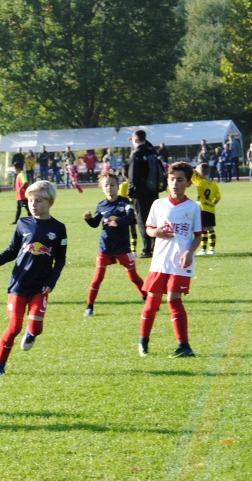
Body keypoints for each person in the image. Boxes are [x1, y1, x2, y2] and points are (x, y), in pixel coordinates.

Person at [0, 180, 67, 376]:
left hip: (41, 286)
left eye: (38, 200)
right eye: (30, 200)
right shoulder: (23, 224)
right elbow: (11, 251)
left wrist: (51, 282)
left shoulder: (58, 228)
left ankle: (31, 334)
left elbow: (60, 260)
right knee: (14, 327)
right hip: (19, 284)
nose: (33, 204)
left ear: (50, 203)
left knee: (37, 327)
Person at [139, 162, 202, 358]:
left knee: (173, 300)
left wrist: (189, 252)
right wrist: (156, 232)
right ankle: (143, 341)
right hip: (160, 262)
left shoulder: (193, 207)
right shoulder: (158, 204)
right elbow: (149, 228)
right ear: (167, 180)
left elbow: (198, 235)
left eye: (180, 180)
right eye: (172, 179)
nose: (175, 184)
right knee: (152, 302)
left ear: (189, 183)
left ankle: (184, 346)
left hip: (180, 263)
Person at [82, 172, 145, 316]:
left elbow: (131, 216)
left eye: (112, 185)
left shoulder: (124, 203)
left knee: (133, 276)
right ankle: (89, 306)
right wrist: (88, 219)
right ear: (102, 188)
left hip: (123, 247)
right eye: (106, 185)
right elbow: (95, 224)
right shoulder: (101, 206)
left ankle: (147, 298)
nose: (109, 188)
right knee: (98, 277)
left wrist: (118, 222)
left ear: (118, 186)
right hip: (105, 247)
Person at [127, 129, 164, 258]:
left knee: (143, 220)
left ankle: (147, 249)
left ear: (135, 140)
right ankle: (156, 247)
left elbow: (133, 176)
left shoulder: (136, 154)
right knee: (154, 219)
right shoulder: (151, 151)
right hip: (153, 190)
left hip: (141, 192)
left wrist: (130, 192)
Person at [192, 163, 221, 255]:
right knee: (211, 228)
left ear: (200, 173)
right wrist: (213, 204)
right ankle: (212, 249)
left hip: (202, 208)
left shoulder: (200, 182)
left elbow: (191, 176)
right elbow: (218, 197)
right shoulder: (214, 185)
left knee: (203, 229)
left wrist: (194, 171)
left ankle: (203, 250)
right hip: (211, 209)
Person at [12, 154, 30, 224]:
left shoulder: (22, 174)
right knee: (18, 209)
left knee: (28, 209)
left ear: (18, 168)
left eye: (15, 168)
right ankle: (16, 221)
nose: (14, 170)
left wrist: (20, 188)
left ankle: (33, 219)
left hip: (23, 196)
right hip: (19, 196)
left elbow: (25, 182)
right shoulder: (18, 175)